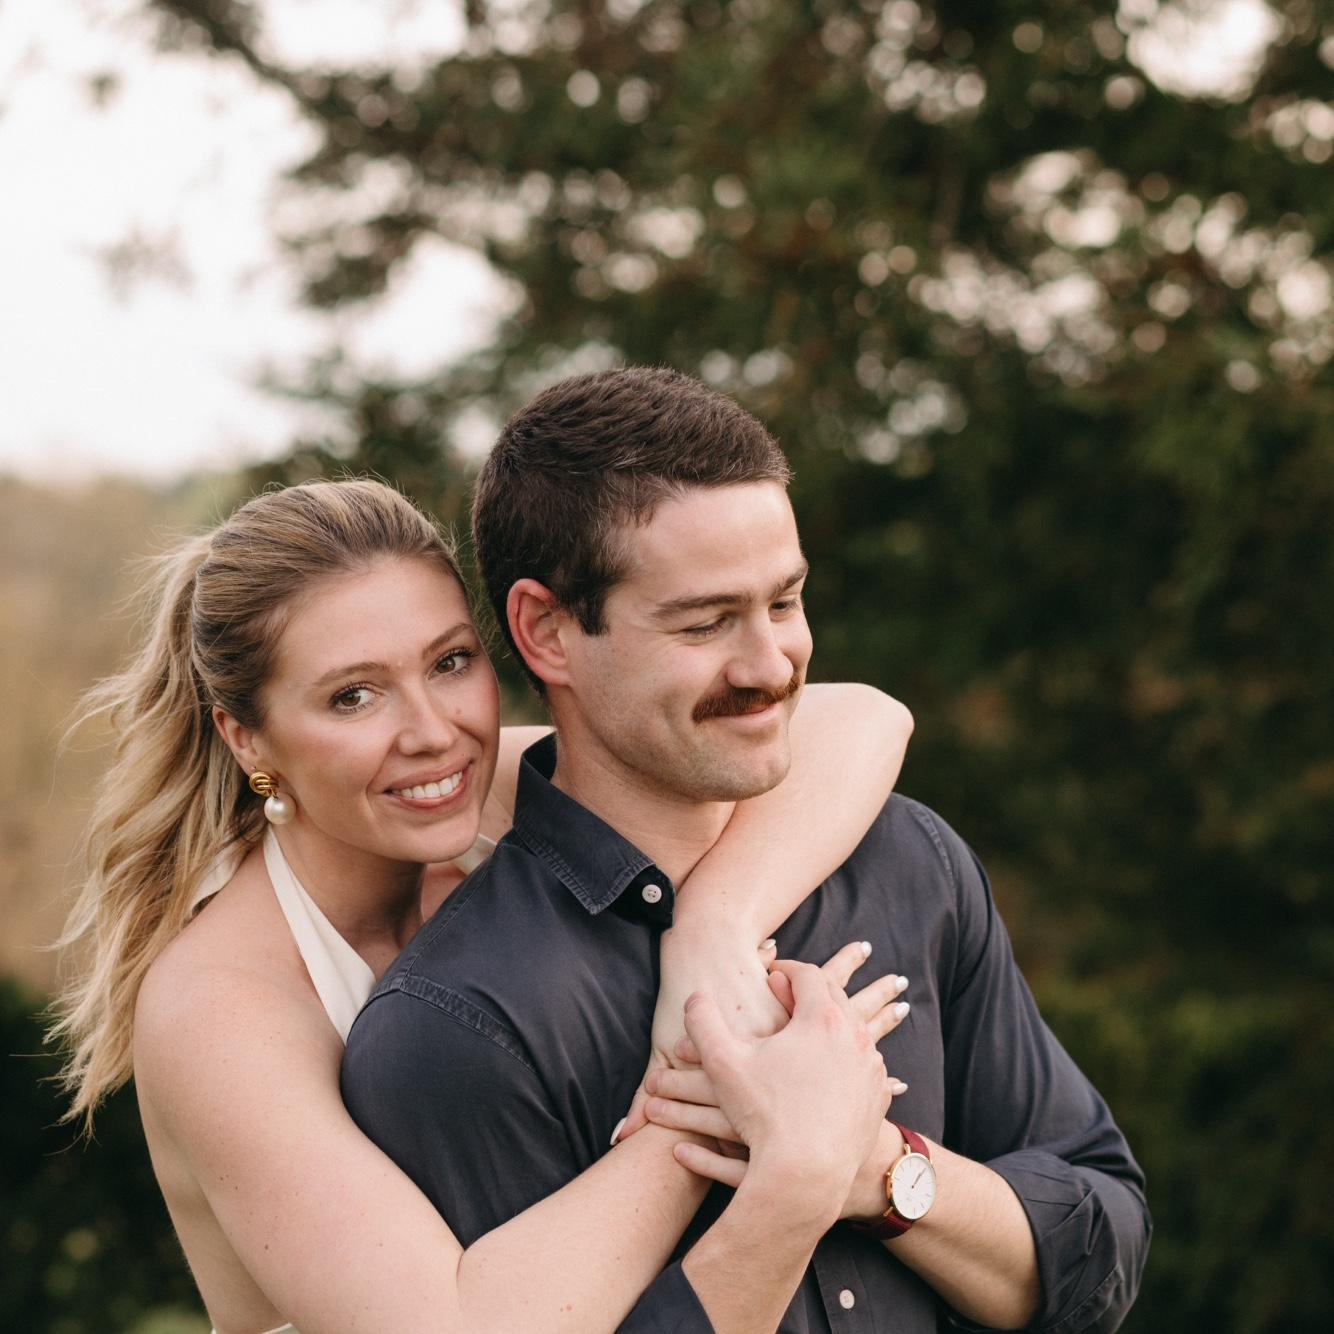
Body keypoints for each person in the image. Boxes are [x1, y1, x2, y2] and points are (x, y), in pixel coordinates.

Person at [342, 368, 1152, 1333]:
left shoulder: (909, 859)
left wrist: (879, 1169)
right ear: (546, 632)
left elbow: (1103, 1252)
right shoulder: (458, 1024)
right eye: (705, 623)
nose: (771, 665)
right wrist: (790, 1180)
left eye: (786, 602)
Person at [51, 478, 917, 1334]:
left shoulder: (461, 792)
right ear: (247, 739)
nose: (434, 731)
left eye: (450, 663)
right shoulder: (215, 1005)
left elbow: (862, 720)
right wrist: (732, 1077)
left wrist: (714, 932)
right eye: (353, 696)